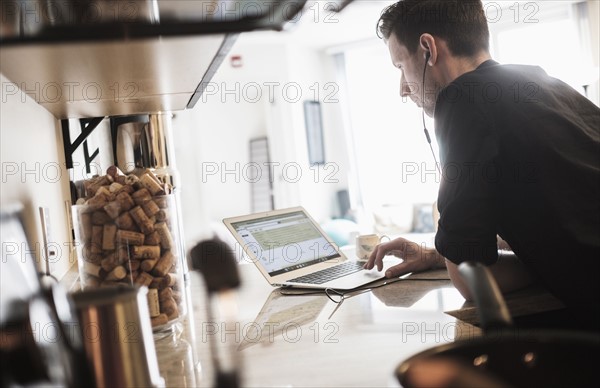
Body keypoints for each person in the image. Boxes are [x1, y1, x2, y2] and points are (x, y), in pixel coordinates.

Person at [364, 0, 600, 331]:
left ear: (428, 49)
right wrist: (437, 254)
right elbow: (559, 222)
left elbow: (471, 280)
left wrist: (456, 251)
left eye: (401, 67)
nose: (403, 89)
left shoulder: (462, 99)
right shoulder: (539, 81)